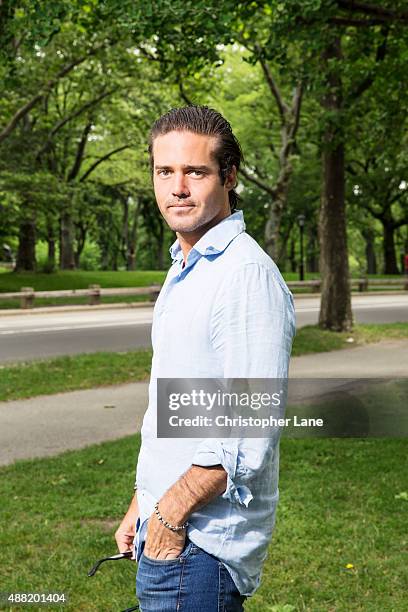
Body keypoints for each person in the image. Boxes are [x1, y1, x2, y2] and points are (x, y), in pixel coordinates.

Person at [115, 105, 296, 611]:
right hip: (171, 532)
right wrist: (143, 503)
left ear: (229, 176)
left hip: (199, 548)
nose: (177, 188)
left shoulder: (244, 276)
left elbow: (248, 424)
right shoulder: (187, 266)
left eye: (195, 171)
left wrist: (169, 517)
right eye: (164, 171)